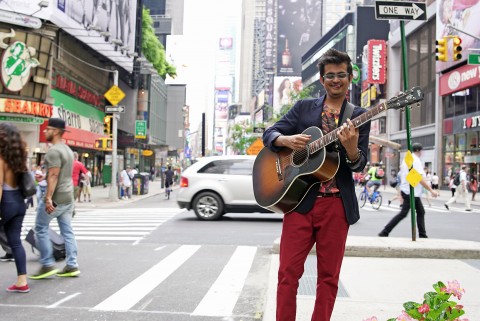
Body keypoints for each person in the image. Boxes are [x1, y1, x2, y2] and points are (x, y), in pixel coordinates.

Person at [262, 48, 370, 321]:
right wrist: (285, 141)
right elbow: (269, 133)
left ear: (350, 77)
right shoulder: (302, 109)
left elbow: (359, 165)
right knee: (287, 274)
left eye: (341, 75)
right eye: (330, 76)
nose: (336, 80)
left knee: (329, 277)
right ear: (322, 80)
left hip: (336, 206)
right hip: (299, 203)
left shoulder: (359, 115)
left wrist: (352, 149)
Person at [29, 118, 80, 279]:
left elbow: (54, 176)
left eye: (48, 129)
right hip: (67, 197)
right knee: (67, 231)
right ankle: (72, 265)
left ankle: (47, 264)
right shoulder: (68, 150)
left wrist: (48, 198)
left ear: (56, 131)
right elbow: (60, 174)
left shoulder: (54, 151)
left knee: (40, 227)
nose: (45, 131)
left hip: (56, 198)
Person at [379, 143, 439, 238]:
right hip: (411, 191)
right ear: (419, 151)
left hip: (408, 190)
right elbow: (419, 178)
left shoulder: (407, 159)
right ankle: (385, 231)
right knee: (404, 213)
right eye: (421, 151)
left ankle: (422, 234)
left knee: (420, 212)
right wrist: (431, 190)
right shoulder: (415, 160)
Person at [0, 123, 30, 292]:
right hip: (19, 202)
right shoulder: (20, 157)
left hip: (6, 202)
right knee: (15, 242)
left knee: (13, 241)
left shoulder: (1, 158)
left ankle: (21, 283)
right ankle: (21, 282)